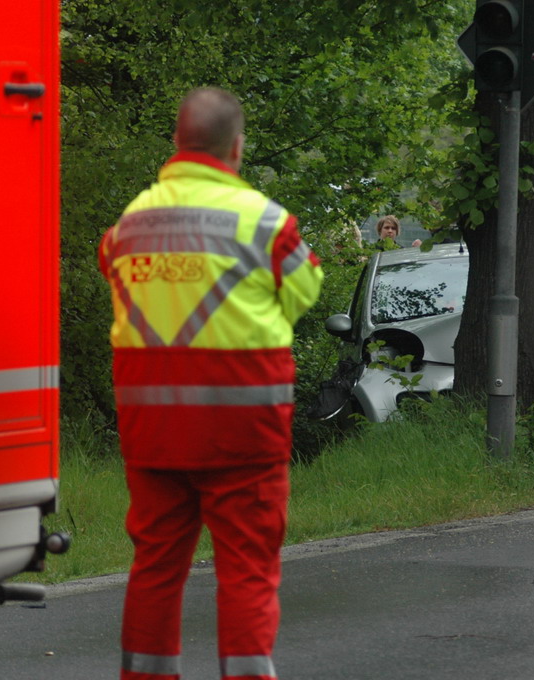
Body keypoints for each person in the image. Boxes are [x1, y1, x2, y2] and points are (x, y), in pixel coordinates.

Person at [99, 87, 323, 680]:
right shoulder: (266, 223)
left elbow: (113, 275)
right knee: (247, 570)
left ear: (177, 142)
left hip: (154, 433)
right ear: (238, 147)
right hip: (242, 434)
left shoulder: (129, 223)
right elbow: (305, 293)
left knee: (155, 568)